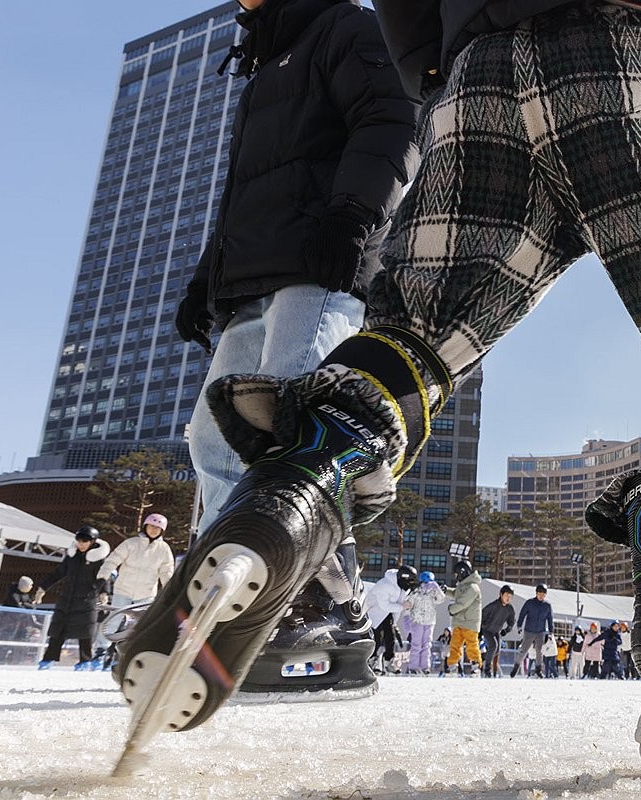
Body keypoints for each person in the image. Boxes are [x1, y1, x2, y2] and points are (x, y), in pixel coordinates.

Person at [116, 0, 641, 766]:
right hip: (621, 37)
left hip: (474, 72)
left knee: (416, 337)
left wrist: (443, 61)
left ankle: (289, 495)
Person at [171, 0, 418, 699]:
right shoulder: (265, 63)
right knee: (214, 442)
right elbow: (242, 197)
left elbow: (393, 119)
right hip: (251, 282)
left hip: (320, 264)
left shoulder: (347, 24)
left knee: (294, 431)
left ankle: (326, 607)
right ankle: (232, 595)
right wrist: (204, 279)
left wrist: (353, 216)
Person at [94, 513, 175, 665]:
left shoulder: (164, 549)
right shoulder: (131, 543)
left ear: (162, 531)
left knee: (139, 626)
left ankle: (125, 655)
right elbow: (112, 561)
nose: (153, 530)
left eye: (157, 528)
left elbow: (167, 571)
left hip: (146, 593)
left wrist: (168, 589)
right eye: (151, 526)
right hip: (123, 589)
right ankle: (100, 651)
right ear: (145, 526)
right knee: (114, 620)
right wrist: (102, 578)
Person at [38, 527, 110, 669]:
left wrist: (104, 592)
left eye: (85, 541)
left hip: (87, 600)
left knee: (85, 632)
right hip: (66, 599)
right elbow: (58, 572)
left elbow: (104, 577)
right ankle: (48, 659)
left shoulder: (98, 559)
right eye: (78, 540)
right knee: (58, 630)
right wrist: (43, 587)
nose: (81, 544)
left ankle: (85, 661)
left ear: (93, 542)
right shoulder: (72, 557)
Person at [364, 565, 419, 675]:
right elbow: (384, 605)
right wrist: (403, 606)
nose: (411, 584)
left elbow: (398, 605)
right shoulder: (385, 585)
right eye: (410, 580)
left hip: (388, 613)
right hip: (374, 613)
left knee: (390, 638)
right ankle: (372, 661)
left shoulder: (403, 588)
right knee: (377, 638)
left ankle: (389, 661)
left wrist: (394, 621)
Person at [400, 570, 446, 675]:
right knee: (417, 644)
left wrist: (437, 587)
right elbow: (409, 603)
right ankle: (413, 666)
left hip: (429, 621)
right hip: (417, 621)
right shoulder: (416, 591)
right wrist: (407, 618)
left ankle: (425, 666)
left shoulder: (433, 592)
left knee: (427, 644)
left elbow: (441, 599)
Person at [443, 559, 483, 676]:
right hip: (459, 622)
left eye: (457, 574)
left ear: (462, 572)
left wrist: (451, 609)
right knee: (455, 644)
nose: (456, 577)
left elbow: (463, 602)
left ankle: (475, 664)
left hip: (470, 622)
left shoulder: (473, 588)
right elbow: (456, 594)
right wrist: (446, 591)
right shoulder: (463, 586)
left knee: (472, 645)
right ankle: (453, 664)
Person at [0, 577, 44, 665]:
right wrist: (26, 605)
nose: (31, 587)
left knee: (21, 644)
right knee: (5, 644)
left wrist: (26, 604)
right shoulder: (12, 594)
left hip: (22, 625)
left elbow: (30, 606)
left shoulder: (26, 595)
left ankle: (17, 662)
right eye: (30, 585)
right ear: (24, 585)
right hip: (9, 625)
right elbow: (18, 606)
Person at [515, 584, 553, 678]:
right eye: (540, 593)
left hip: (540, 631)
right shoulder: (530, 603)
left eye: (543, 594)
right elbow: (522, 614)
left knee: (539, 651)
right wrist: (519, 625)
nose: (541, 596)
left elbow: (550, 618)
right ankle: (516, 667)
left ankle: (538, 670)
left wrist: (551, 631)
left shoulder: (547, 605)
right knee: (523, 650)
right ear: (536, 593)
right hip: (529, 630)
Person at [479, 585, 516, 677]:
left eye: (510, 596)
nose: (508, 598)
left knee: (496, 651)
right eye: (506, 595)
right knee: (493, 645)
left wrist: (507, 630)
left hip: (496, 631)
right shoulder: (493, 605)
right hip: (486, 629)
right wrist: (479, 631)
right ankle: (487, 669)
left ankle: (484, 657)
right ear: (501, 594)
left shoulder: (510, 609)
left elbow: (512, 621)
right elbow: (481, 615)